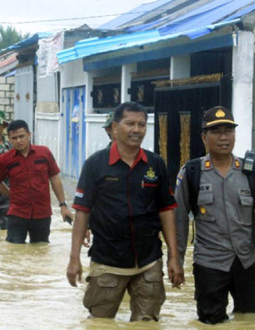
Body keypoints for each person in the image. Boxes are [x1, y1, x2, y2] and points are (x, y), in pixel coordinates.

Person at [66, 102, 183, 321]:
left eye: (142, 124)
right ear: (115, 127)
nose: (137, 130)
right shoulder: (95, 164)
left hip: (149, 261)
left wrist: (173, 258)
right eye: (130, 124)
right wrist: (74, 259)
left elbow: (166, 210)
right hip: (107, 262)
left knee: (147, 323)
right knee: (100, 323)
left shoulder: (155, 164)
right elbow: (82, 212)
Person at [174, 106, 255, 324]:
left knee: (253, 320)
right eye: (216, 132)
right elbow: (178, 220)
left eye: (229, 131)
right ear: (204, 137)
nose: (223, 137)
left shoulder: (250, 171)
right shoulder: (191, 173)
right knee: (210, 323)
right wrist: (175, 260)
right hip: (209, 265)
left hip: (247, 263)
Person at [0, 119, 73, 243]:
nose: (18, 141)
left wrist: (63, 206)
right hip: (17, 214)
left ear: (29, 135)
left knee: (40, 250)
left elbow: (54, 178)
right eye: (14, 138)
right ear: (9, 139)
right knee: (14, 252)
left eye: (21, 136)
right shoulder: (4, 159)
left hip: (42, 214)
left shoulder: (44, 153)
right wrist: (11, 195)